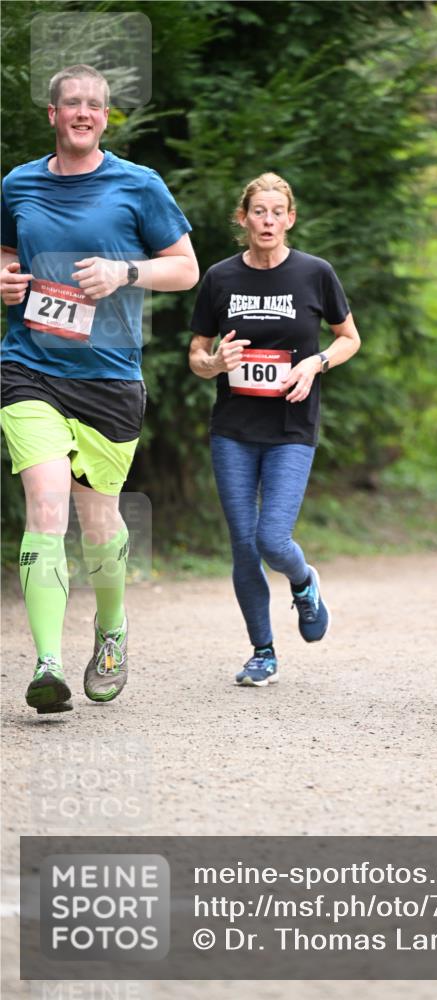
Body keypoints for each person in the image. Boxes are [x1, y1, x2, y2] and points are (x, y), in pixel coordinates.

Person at [1, 65, 198, 714]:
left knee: (97, 521)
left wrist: (123, 271)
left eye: (94, 105)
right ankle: (48, 661)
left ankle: (110, 630)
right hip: (28, 368)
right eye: (71, 104)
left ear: (105, 118)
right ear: (53, 115)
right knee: (47, 508)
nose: (82, 113)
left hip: (109, 377)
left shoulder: (138, 186)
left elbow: (185, 269)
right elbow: (7, 257)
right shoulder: (18, 185)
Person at [189, 172, 360, 687]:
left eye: (276, 212)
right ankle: (262, 651)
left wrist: (315, 365)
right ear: (243, 219)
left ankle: (304, 582)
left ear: (290, 218)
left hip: (291, 426)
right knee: (244, 545)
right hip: (234, 429)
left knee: (271, 537)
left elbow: (349, 338)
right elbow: (196, 354)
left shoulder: (315, 273)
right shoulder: (220, 278)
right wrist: (216, 362)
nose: (267, 221)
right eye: (257, 212)